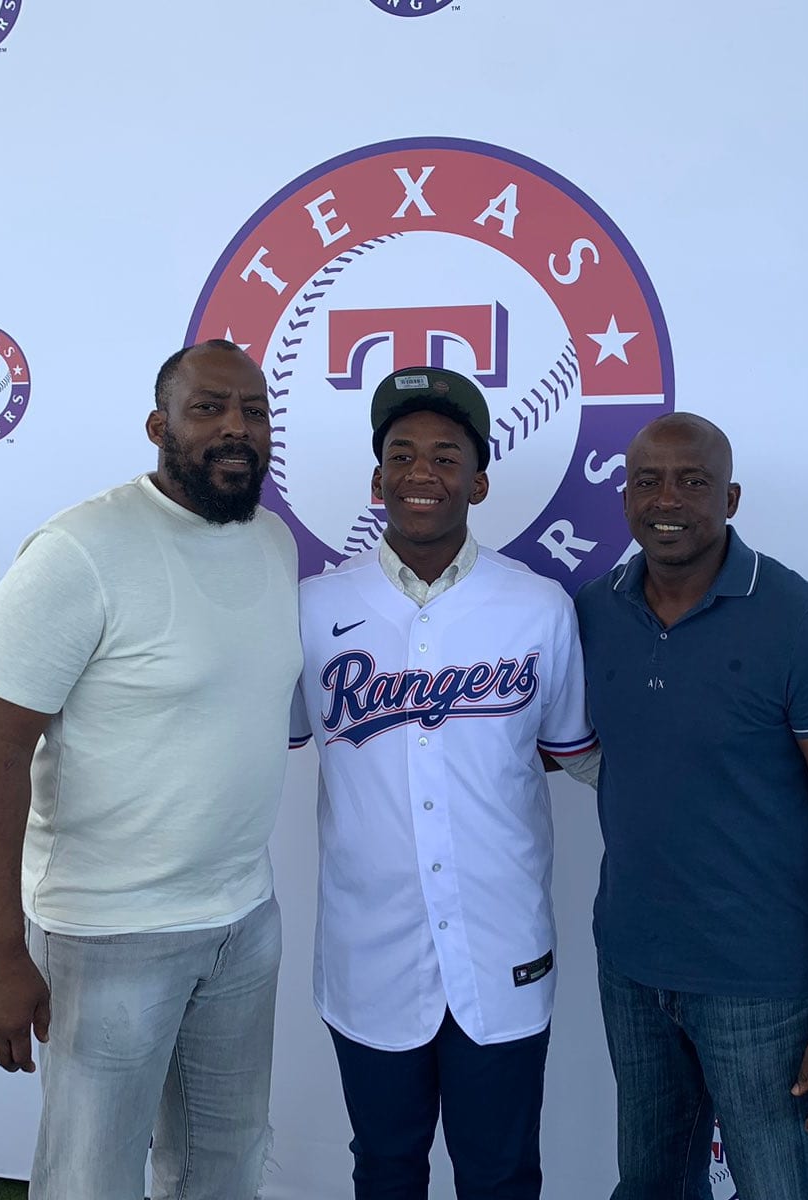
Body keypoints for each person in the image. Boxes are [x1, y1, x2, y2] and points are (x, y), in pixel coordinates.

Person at [0, 339, 302, 1200]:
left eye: (253, 412)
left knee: (222, 1171)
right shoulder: (81, 551)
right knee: (90, 1182)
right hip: (108, 935)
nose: (236, 428)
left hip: (243, 923)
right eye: (209, 408)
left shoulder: (273, 543)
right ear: (159, 426)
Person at [291, 366, 598, 1200]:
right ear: (376, 476)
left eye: (446, 456)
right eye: (402, 454)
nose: (422, 473)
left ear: (480, 478)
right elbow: (263, 740)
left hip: (502, 943)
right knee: (386, 1169)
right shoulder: (312, 608)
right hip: (369, 949)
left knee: (500, 1175)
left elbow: (572, 751)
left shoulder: (538, 606)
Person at [574, 413, 808, 1200]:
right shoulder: (594, 613)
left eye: (693, 481)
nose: (667, 498)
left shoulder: (803, 625)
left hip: (765, 990)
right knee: (650, 1188)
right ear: (625, 496)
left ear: (733, 497)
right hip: (633, 971)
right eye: (647, 480)